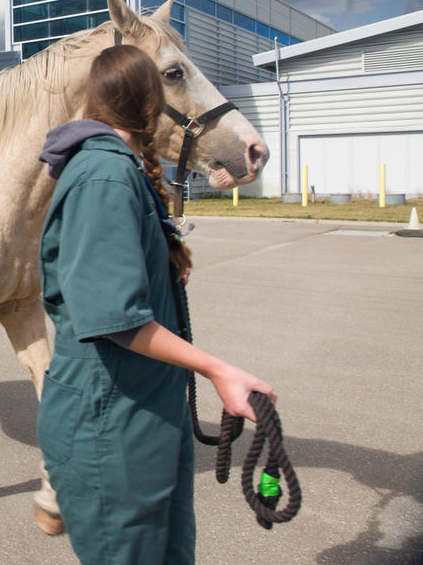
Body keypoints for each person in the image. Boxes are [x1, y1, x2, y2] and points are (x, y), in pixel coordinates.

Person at [35, 45, 275, 564]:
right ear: (151, 104)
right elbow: (112, 317)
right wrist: (218, 370)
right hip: (113, 421)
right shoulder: (103, 176)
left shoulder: (122, 171)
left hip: (144, 414)